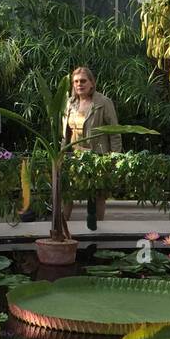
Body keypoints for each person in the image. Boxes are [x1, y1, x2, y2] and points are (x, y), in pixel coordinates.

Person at [61, 66, 121, 223]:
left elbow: (115, 132)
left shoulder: (103, 102)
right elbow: (65, 133)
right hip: (73, 156)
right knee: (67, 192)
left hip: (97, 156)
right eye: (75, 82)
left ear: (92, 83)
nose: (79, 84)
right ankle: (61, 228)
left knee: (97, 194)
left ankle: (97, 229)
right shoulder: (69, 104)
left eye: (83, 81)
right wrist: (61, 154)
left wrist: (114, 158)